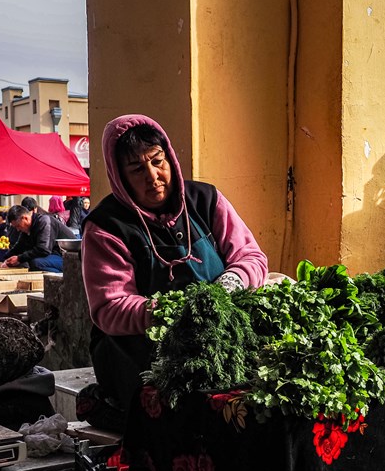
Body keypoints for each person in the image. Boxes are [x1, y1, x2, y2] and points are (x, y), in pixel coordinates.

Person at [80, 114, 268, 420]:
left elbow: (251, 257)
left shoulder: (205, 199)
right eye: (137, 169)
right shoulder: (106, 227)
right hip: (144, 356)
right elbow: (109, 307)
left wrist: (230, 284)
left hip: (220, 339)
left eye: (157, 161)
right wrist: (170, 314)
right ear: (120, 176)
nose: (152, 176)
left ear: (169, 157)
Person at [4, 204, 72, 272]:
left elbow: (44, 249)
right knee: (25, 262)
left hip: (67, 258)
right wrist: (6, 258)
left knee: (36, 263)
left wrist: (19, 259)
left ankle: (62, 278)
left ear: (25, 218)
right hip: (53, 256)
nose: (18, 230)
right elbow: (20, 246)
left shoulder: (44, 222)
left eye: (18, 226)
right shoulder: (27, 228)